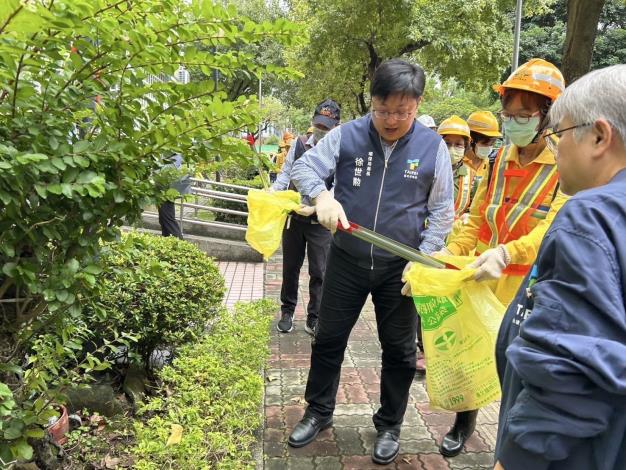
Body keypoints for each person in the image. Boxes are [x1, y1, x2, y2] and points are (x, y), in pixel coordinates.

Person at [287, 59, 454, 465]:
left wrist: (425, 258)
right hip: (346, 257)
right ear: (372, 102)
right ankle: (319, 411)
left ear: (417, 105)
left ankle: (390, 424)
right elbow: (303, 167)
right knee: (328, 339)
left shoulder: (434, 147)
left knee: (398, 351)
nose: (392, 119)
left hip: (400, 268)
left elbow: (443, 209)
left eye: (403, 111)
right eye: (382, 110)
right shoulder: (346, 136)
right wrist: (322, 197)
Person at [434, 58, 569, 458]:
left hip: (529, 287)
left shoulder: (564, 163)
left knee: (520, 370)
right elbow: (477, 217)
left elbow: (554, 228)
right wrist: (451, 252)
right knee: (469, 356)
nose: (512, 124)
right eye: (507, 115)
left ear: (548, 116)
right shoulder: (498, 160)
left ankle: (513, 444)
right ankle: (465, 422)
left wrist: (509, 252)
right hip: (482, 276)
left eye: (523, 116)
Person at [494, 64, 626, 470]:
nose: (555, 148)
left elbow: (568, 368)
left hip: (580, 451)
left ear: (600, 136)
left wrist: (514, 459)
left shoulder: (589, 216)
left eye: (560, 134)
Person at [272, 99, 341, 334]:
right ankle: (287, 311)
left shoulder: (340, 151)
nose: (322, 131)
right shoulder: (299, 145)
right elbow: (286, 174)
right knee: (290, 267)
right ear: (313, 122)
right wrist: (272, 194)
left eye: (327, 128)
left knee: (319, 271)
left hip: (320, 222)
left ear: (336, 127)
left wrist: (319, 205)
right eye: (319, 125)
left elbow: (338, 187)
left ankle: (314, 317)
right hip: (294, 217)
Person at [437, 115, 474, 219]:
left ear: (465, 147)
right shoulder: (426, 169)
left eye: (458, 144)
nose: (452, 148)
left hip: (455, 232)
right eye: (447, 143)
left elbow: (474, 211)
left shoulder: (472, 177)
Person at [465, 110, 502, 192]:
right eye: (485, 143)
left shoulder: (492, 165)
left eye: (492, 143)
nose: (489, 147)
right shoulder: (455, 164)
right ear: (470, 140)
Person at [157, 153, 191, 239]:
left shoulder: (173, 154)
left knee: (167, 219)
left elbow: (169, 170)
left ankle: (179, 244)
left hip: (166, 190)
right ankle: (168, 242)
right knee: (164, 219)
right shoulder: (173, 154)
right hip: (166, 190)